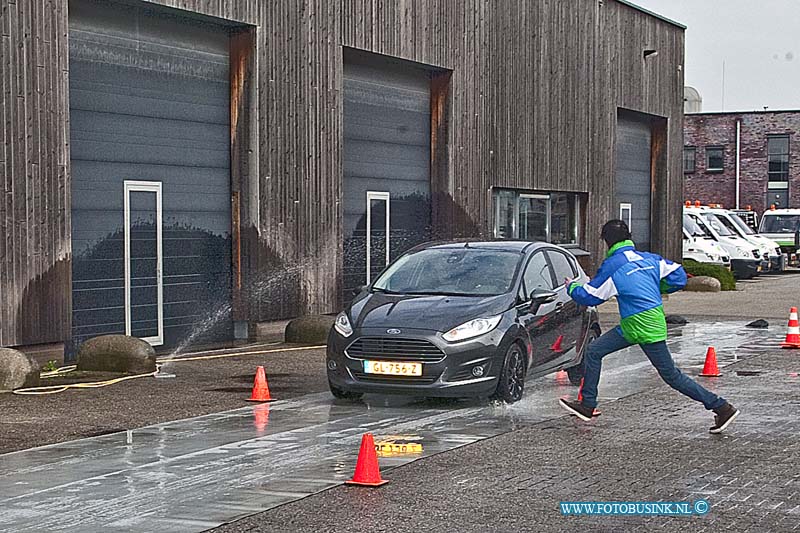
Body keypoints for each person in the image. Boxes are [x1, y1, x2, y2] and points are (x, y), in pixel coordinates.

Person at [559, 220, 739, 434]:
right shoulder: (649, 259)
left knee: (671, 376)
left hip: (638, 325)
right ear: (629, 236)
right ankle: (587, 405)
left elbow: (590, 296)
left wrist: (572, 286)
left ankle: (721, 406)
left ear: (606, 241)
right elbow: (679, 277)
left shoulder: (614, 265)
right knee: (594, 351)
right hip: (648, 321)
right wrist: (657, 286)